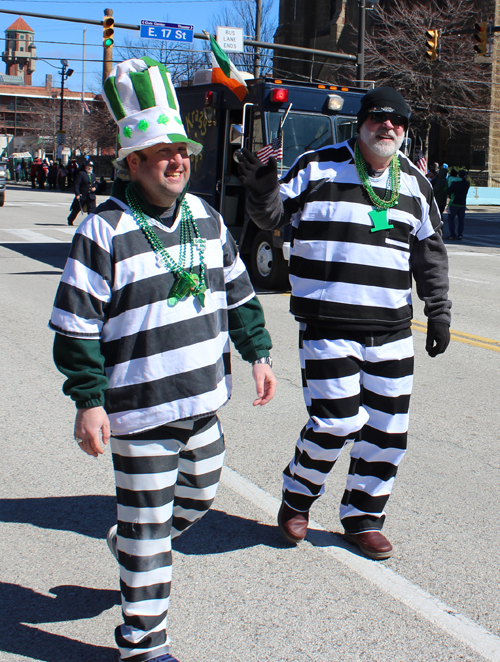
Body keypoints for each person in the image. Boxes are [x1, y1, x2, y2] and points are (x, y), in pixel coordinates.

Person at [49, 57, 276, 662]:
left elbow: (239, 292)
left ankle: (132, 542)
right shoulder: (102, 230)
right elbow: (75, 328)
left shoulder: (206, 217)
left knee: (199, 495)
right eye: (162, 152)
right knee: (152, 533)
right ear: (133, 163)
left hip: (203, 402)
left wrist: (258, 353)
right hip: (140, 410)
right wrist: (88, 401)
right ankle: (143, 643)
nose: (179, 160)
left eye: (183, 149)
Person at [237, 86, 451, 560]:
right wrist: (261, 187)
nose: (388, 127)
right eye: (379, 118)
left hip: (392, 329)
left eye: (398, 121)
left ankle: (363, 516)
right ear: (362, 122)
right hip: (327, 323)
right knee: (335, 421)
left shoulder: (416, 182)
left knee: (388, 430)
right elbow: (271, 214)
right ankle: (297, 498)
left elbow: (430, 253)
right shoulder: (317, 165)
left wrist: (438, 311)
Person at [67, 161, 97, 225]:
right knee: (76, 209)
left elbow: (95, 183)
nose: (89, 168)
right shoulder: (81, 174)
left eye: (91, 166)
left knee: (92, 210)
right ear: (85, 167)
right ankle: (70, 219)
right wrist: (77, 193)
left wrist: (95, 187)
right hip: (82, 195)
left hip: (91, 195)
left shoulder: (93, 175)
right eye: (88, 166)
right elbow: (76, 184)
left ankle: (91, 222)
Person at [447, 169, 470, 240]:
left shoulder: (455, 183)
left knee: (451, 219)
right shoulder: (467, 183)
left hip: (454, 203)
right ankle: (460, 234)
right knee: (461, 221)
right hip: (462, 204)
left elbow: (449, 191)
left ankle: (452, 234)